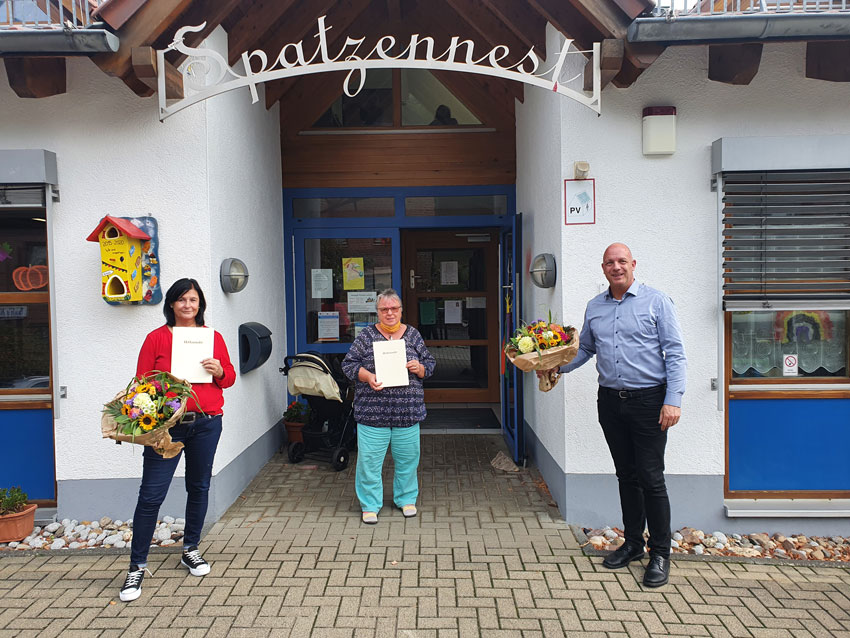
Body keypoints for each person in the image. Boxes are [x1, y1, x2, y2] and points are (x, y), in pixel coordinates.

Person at [542, 243, 685, 587]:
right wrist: (556, 366)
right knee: (626, 475)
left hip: (650, 402)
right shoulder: (595, 306)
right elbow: (587, 348)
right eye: (610, 262)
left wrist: (673, 399)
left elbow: (675, 352)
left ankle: (661, 553)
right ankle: (634, 543)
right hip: (610, 401)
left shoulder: (657, 301)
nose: (616, 267)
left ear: (633, 264)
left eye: (622, 261)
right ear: (603, 267)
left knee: (651, 477)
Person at [119, 278, 236, 602]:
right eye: (182, 299)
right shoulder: (156, 338)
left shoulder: (213, 338)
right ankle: (136, 566)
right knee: (151, 495)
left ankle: (190, 549)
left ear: (200, 305)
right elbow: (141, 383)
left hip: (207, 422)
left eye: (193, 300)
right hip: (167, 428)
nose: (188, 305)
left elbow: (229, 377)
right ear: (171, 304)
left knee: (198, 487)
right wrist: (163, 388)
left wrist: (218, 370)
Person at [342, 288, 436, 524]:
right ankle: (370, 505)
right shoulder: (366, 336)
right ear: (378, 312)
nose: (390, 313)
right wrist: (367, 376)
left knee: (407, 460)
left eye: (394, 308)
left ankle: (405, 500)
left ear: (401, 311)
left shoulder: (413, 335)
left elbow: (430, 363)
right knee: (369, 462)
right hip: (373, 414)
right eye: (384, 309)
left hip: (407, 412)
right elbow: (348, 365)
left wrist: (420, 368)